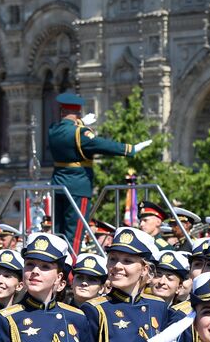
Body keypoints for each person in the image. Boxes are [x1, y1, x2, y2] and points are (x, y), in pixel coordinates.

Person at [46, 93, 147, 247]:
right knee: (75, 235)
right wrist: (130, 149)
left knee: (58, 231)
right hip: (78, 187)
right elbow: (102, 145)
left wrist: (80, 123)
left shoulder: (53, 130)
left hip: (58, 185)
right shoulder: (80, 134)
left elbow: (66, 130)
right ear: (78, 112)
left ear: (62, 111)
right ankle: (70, 269)